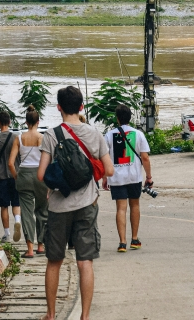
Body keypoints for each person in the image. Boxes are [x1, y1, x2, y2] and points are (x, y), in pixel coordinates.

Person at [37, 86, 114, 320]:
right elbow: (109, 170)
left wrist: (59, 183)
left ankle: (51, 315)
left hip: (59, 207)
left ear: (58, 107)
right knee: (85, 262)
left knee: (54, 261)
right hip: (87, 205)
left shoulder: (51, 135)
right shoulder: (94, 134)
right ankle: (85, 316)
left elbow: (41, 175)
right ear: (81, 107)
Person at [103, 104, 152, 253]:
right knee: (135, 206)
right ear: (130, 117)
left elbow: (104, 157)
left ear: (117, 118)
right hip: (134, 176)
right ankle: (135, 239)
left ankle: (122, 242)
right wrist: (148, 176)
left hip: (116, 177)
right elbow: (145, 157)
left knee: (121, 208)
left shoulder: (109, 135)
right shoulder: (138, 134)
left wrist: (105, 177)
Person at [8, 105, 48, 258]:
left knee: (26, 212)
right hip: (40, 175)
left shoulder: (19, 138)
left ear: (26, 122)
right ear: (38, 121)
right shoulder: (42, 138)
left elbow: (11, 163)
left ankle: (30, 249)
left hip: (23, 174)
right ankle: (41, 246)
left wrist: (17, 176)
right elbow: (47, 160)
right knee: (42, 211)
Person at [0, 110, 21, 243]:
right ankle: (17, 221)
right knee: (16, 203)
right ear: (10, 122)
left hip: (0, 177)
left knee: (4, 206)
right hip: (15, 175)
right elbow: (20, 157)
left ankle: (6, 234)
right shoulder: (16, 138)